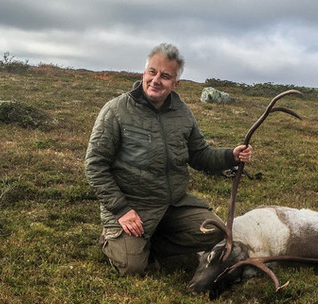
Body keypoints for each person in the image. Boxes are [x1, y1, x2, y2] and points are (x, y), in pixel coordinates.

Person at [85, 43, 252, 275]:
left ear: (175, 83)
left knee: (215, 231)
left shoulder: (182, 113)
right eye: (152, 72)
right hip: (133, 205)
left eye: (165, 76)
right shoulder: (116, 111)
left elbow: (199, 154)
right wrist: (121, 209)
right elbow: (95, 165)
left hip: (172, 204)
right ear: (144, 73)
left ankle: (148, 242)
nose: (156, 80)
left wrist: (230, 156)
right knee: (133, 268)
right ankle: (113, 239)